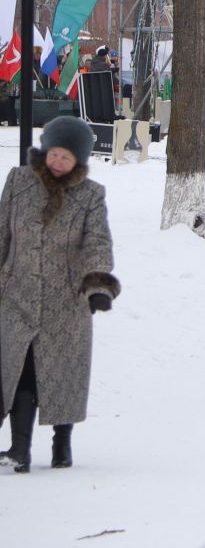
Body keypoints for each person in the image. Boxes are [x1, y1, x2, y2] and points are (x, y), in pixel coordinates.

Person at [0, 116, 118, 472]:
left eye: (66, 157)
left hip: (64, 299)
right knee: (18, 370)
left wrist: (97, 285)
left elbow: (96, 242)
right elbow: (2, 232)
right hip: (16, 293)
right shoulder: (19, 182)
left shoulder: (90, 195)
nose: (58, 162)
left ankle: (62, 444)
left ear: (78, 160)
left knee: (60, 372)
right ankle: (19, 448)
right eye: (54, 153)